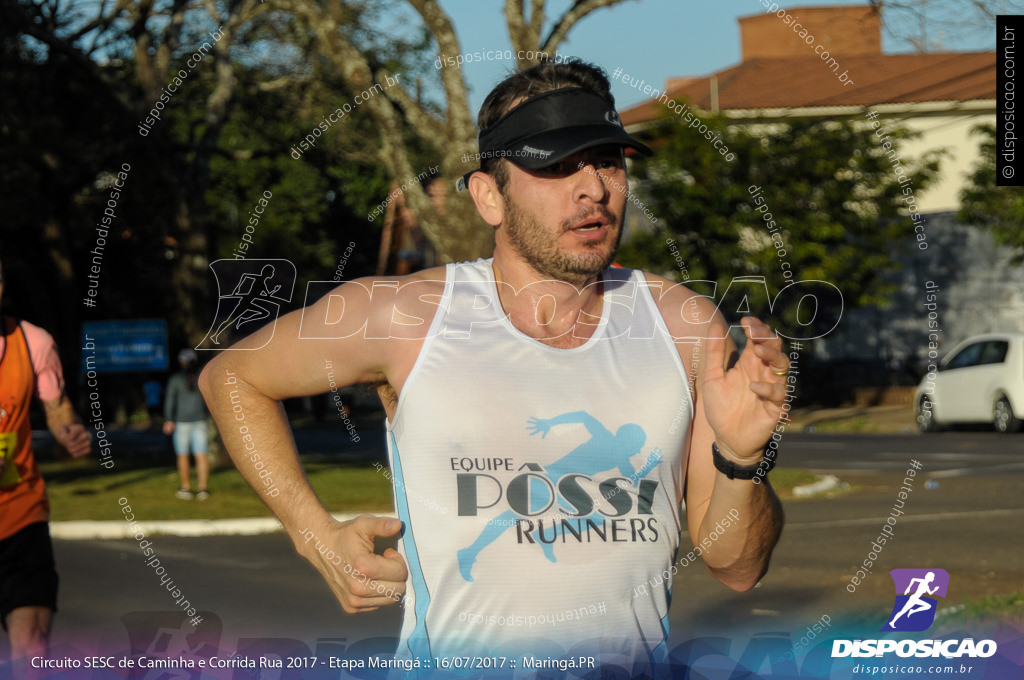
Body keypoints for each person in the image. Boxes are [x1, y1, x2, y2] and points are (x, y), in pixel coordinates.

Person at [200, 59, 786, 674]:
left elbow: (737, 567)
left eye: (608, 160)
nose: (594, 188)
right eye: (557, 165)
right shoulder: (403, 316)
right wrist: (314, 535)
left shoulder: (684, 326)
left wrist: (742, 461)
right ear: (489, 195)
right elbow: (232, 377)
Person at [0, 261, 92, 672]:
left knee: (33, 651)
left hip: (20, 512)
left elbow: (56, 406)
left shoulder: (32, 340)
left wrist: (68, 430)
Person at [164, 349, 210, 500]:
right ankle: (202, 489)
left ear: (181, 362)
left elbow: (170, 400)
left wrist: (169, 419)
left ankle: (186, 487)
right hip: (200, 420)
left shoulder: (176, 379)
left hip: (181, 422)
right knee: (201, 454)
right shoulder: (202, 377)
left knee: (182, 455)